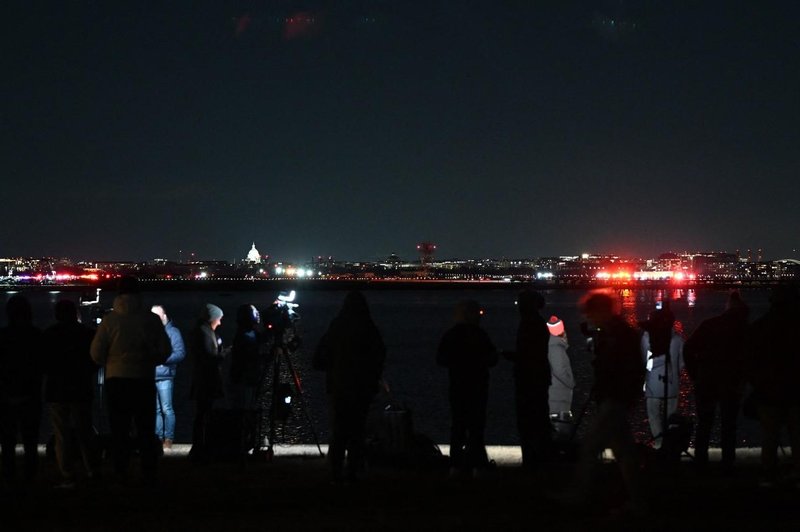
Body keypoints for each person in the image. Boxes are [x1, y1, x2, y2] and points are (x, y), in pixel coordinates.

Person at [569, 291, 646, 513]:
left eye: (591, 314)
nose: (589, 319)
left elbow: (615, 368)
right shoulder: (620, 332)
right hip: (617, 398)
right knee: (624, 453)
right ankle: (637, 500)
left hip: (613, 398)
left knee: (591, 447)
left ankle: (580, 494)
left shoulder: (616, 335)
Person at [90, 276, 171, 484]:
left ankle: (121, 470)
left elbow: (96, 353)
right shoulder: (151, 320)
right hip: (143, 378)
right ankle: (148, 471)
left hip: (116, 380)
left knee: (119, 429)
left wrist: (110, 361)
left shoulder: (110, 320)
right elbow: (165, 351)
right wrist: (149, 358)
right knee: (145, 429)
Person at [314, 291, 385, 483]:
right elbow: (379, 357)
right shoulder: (369, 328)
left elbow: (320, 356)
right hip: (362, 387)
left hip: (338, 386)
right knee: (358, 430)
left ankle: (335, 470)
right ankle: (354, 469)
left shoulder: (337, 326)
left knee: (339, 430)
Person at [683, 291, 749, 471]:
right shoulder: (744, 330)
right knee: (729, 425)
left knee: (704, 423)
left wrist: (695, 374)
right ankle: (727, 462)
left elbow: (688, 349)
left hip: (706, 380)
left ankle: (700, 462)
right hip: (731, 383)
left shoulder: (709, 325)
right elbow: (749, 358)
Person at [745, 285, 800, 487]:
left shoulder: (760, 327)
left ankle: (768, 473)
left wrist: (757, 383)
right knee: (797, 435)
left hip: (768, 391)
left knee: (769, 436)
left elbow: (749, 360)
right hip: (795, 391)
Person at [437, 300, 497, 477]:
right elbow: (492, 359)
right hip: (478, 386)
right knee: (476, 427)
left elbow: (440, 359)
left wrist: (457, 363)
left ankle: (456, 464)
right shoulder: (479, 334)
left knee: (458, 425)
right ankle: (477, 463)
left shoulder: (451, 335)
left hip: (457, 386)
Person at [42, 300, 99, 488]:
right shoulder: (88, 334)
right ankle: (91, 469)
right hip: (81, 388)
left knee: (61, 433)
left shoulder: (49, 335)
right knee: (85, 431)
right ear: (76, 313)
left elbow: (45, 363)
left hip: (57, 390)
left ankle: (67, 473)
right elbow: (95, 361)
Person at [0, 294, 44, 484]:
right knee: (30, 440)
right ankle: (30, 476)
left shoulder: (2, 336)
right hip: (31, 394)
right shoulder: (37, 336)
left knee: (7, 441)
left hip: (5, 395)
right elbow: (42, 365)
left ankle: (9, 475)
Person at [504, 290, 551, 468]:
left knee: (529, 421)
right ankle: (538, 459)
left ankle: (533, 461)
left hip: (530, 378)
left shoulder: (530, 324)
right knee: (538, 420)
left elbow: (529, 353)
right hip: (537, 376)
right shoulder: (536, 322)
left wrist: (511, 356)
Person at [641, 310, 684, 449]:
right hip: (672, 383)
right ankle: (669, 444)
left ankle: (658, 443)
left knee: (653, 414)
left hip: (653, 382)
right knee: (671, 416)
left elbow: (644, 359)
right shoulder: (678, 338)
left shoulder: (647, 337)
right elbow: (682, 362)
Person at [188, 303, 226, 462]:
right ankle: (200, 448)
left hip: (203, 380)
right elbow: (210, 358)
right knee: (204, 414)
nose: (220, 323)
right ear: (212, 318)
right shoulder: (204, 333)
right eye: (219, 319)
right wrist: (226, 352)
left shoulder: (202, 331)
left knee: (202, 414)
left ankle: (200, 447)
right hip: (206, 381)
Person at [151, 305, 186, 451]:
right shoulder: (152, 332)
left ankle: (168, 438)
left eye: (158, 316)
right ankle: (158, 438)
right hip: (152, 375)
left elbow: (180, 353)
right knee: (156, 410)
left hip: (165, 376)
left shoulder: (173, 332)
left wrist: (162, 359)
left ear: (164, 316)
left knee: (166, 408)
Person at [229, 304, 269, 411]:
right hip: (245, 378)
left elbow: (261, 339)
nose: (257, 314)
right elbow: (249, 357)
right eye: (255, 312)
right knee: (243, 404)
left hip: (247, 376)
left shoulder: (249, 332)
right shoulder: (244, 335)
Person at [546, 316, 575, 438]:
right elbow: (559, 371)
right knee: (560, 439)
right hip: (558, 402)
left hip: (556, 401)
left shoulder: (552, 347)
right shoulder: (556, 348)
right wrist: (572, 383)